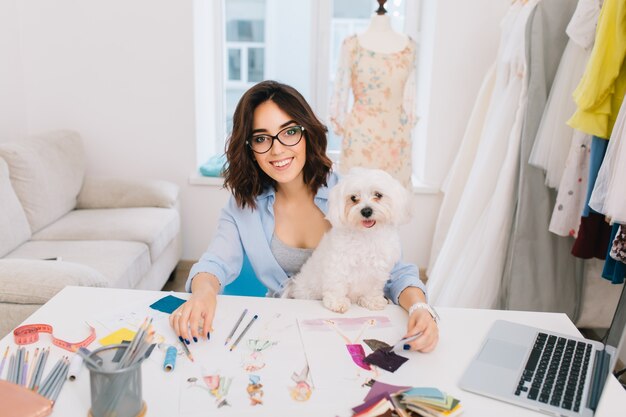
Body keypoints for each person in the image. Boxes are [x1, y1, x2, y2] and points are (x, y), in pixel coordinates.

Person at [169, 80, 438, 352]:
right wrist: (202, 295)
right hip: (284, 327)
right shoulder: (243, 206)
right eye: (261, 138)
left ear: (307, 132)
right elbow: (216, 262)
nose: (277, 150)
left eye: (289, 132)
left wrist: (419, 307)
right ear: (249, 148)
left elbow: (396, 271)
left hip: (352, 326)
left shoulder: (350, 194)